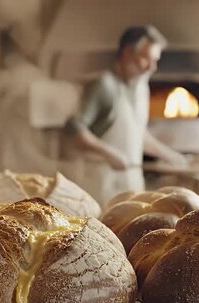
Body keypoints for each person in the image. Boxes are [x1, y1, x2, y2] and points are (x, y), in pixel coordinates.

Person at [61, 25, 187, 208]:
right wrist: (108, 152)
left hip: (132, 186)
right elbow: (73, 130)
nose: (152, 67)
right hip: (102, 189)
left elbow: (137, 135)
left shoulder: (141, 88)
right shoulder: (104, 85)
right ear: (128, 53)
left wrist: (170, 156)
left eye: (155, 60)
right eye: (146, 59)